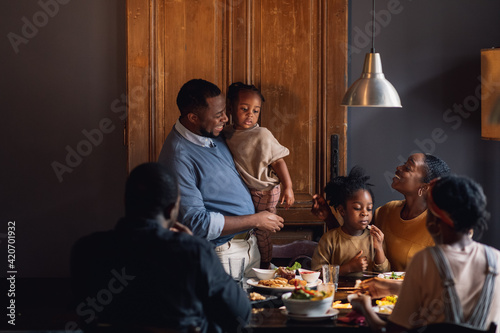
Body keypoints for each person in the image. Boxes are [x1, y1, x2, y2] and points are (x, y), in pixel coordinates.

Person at [70, 163, 251, 333]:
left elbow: (85, 317)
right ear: (172, 209)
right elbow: (240, 316)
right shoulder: (195, 252)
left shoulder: (86, 250)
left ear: (126, 201)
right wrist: (193, 243)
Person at [157, 79, 284, 277]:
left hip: (249, 245)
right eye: (218, 115)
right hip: (222, 253)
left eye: (225, 110)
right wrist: (256, 220)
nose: (226, 118)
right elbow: (195, 223)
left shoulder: (214, 133)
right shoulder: (178, 157)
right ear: (192, 118)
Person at [350, 175, 500, 333]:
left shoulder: (426, 260)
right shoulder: (496, 259)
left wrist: (365, 307)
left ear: (434, 221)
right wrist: (391, 287)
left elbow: (393, 331)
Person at [311, 153, 451, 271]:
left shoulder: (440, 227)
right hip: (379, 296)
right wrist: (328, 217)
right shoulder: (386, 211)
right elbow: (350, 239)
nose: (398, 168)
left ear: (424, 187)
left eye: (408, 167)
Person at [223, 82, 294, 269]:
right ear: (230, 108)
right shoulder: (226, 133)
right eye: (244, 109)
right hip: (247, 189)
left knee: (261, 230)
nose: (250, 115)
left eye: (256, 111)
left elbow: (278, 161)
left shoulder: (262, 134)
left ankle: (265, 264)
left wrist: (289, 187)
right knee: (249, 227)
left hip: (266, 189)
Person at [310, 166, 390, 276]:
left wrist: (379, 249)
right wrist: (348, 268)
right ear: (342, 210)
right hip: (336, 292)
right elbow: (316, 273)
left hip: (368, 292)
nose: (365, 213)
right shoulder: (329, 239)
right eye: (357, 208)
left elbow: (385, 274)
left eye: (369, 208)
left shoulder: (374, 239)